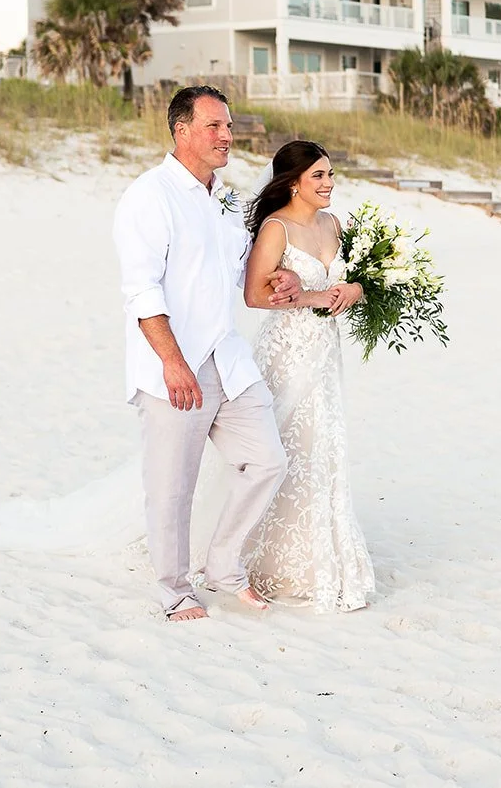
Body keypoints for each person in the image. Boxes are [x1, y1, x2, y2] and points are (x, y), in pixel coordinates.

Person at [111, 86, 301, 622]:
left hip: (228, 359)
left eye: (229, 126)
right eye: (215, 126)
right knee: (172, 488)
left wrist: (279, 276)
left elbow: (244, 272)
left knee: (267, 461)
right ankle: (174, 590)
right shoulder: (149, 197)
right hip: (173, 365)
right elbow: (142, 291)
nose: (227, 136)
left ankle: (221, 565)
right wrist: (173, 363)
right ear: (182, 130)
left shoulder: (230, 200)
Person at [241, 140, 377, 612]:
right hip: (286, 354)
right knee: (287, 448)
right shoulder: (276, 228)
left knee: (325, 447)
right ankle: (260, 559)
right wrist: (315, 298)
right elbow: (254, 296)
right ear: (292, 181)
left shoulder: (335, 224)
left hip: (325, 353)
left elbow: (363, 280)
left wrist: (355, 288)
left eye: (331, 174)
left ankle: (317, 556)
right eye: (318, 175)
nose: (329, 184)